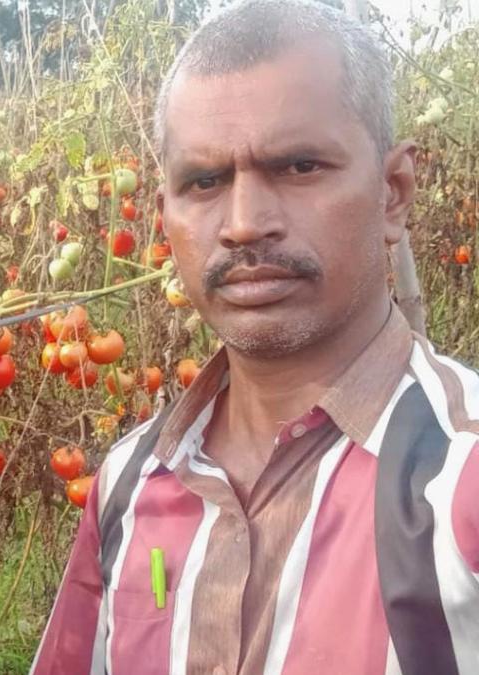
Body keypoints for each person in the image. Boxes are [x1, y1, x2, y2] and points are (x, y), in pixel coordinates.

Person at [31, 0, 479, 673]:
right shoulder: (130, 481)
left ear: (393, 192)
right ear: (166, 217)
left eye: (299, 167)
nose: (244, 223)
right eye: (204, 181)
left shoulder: (460, 484)